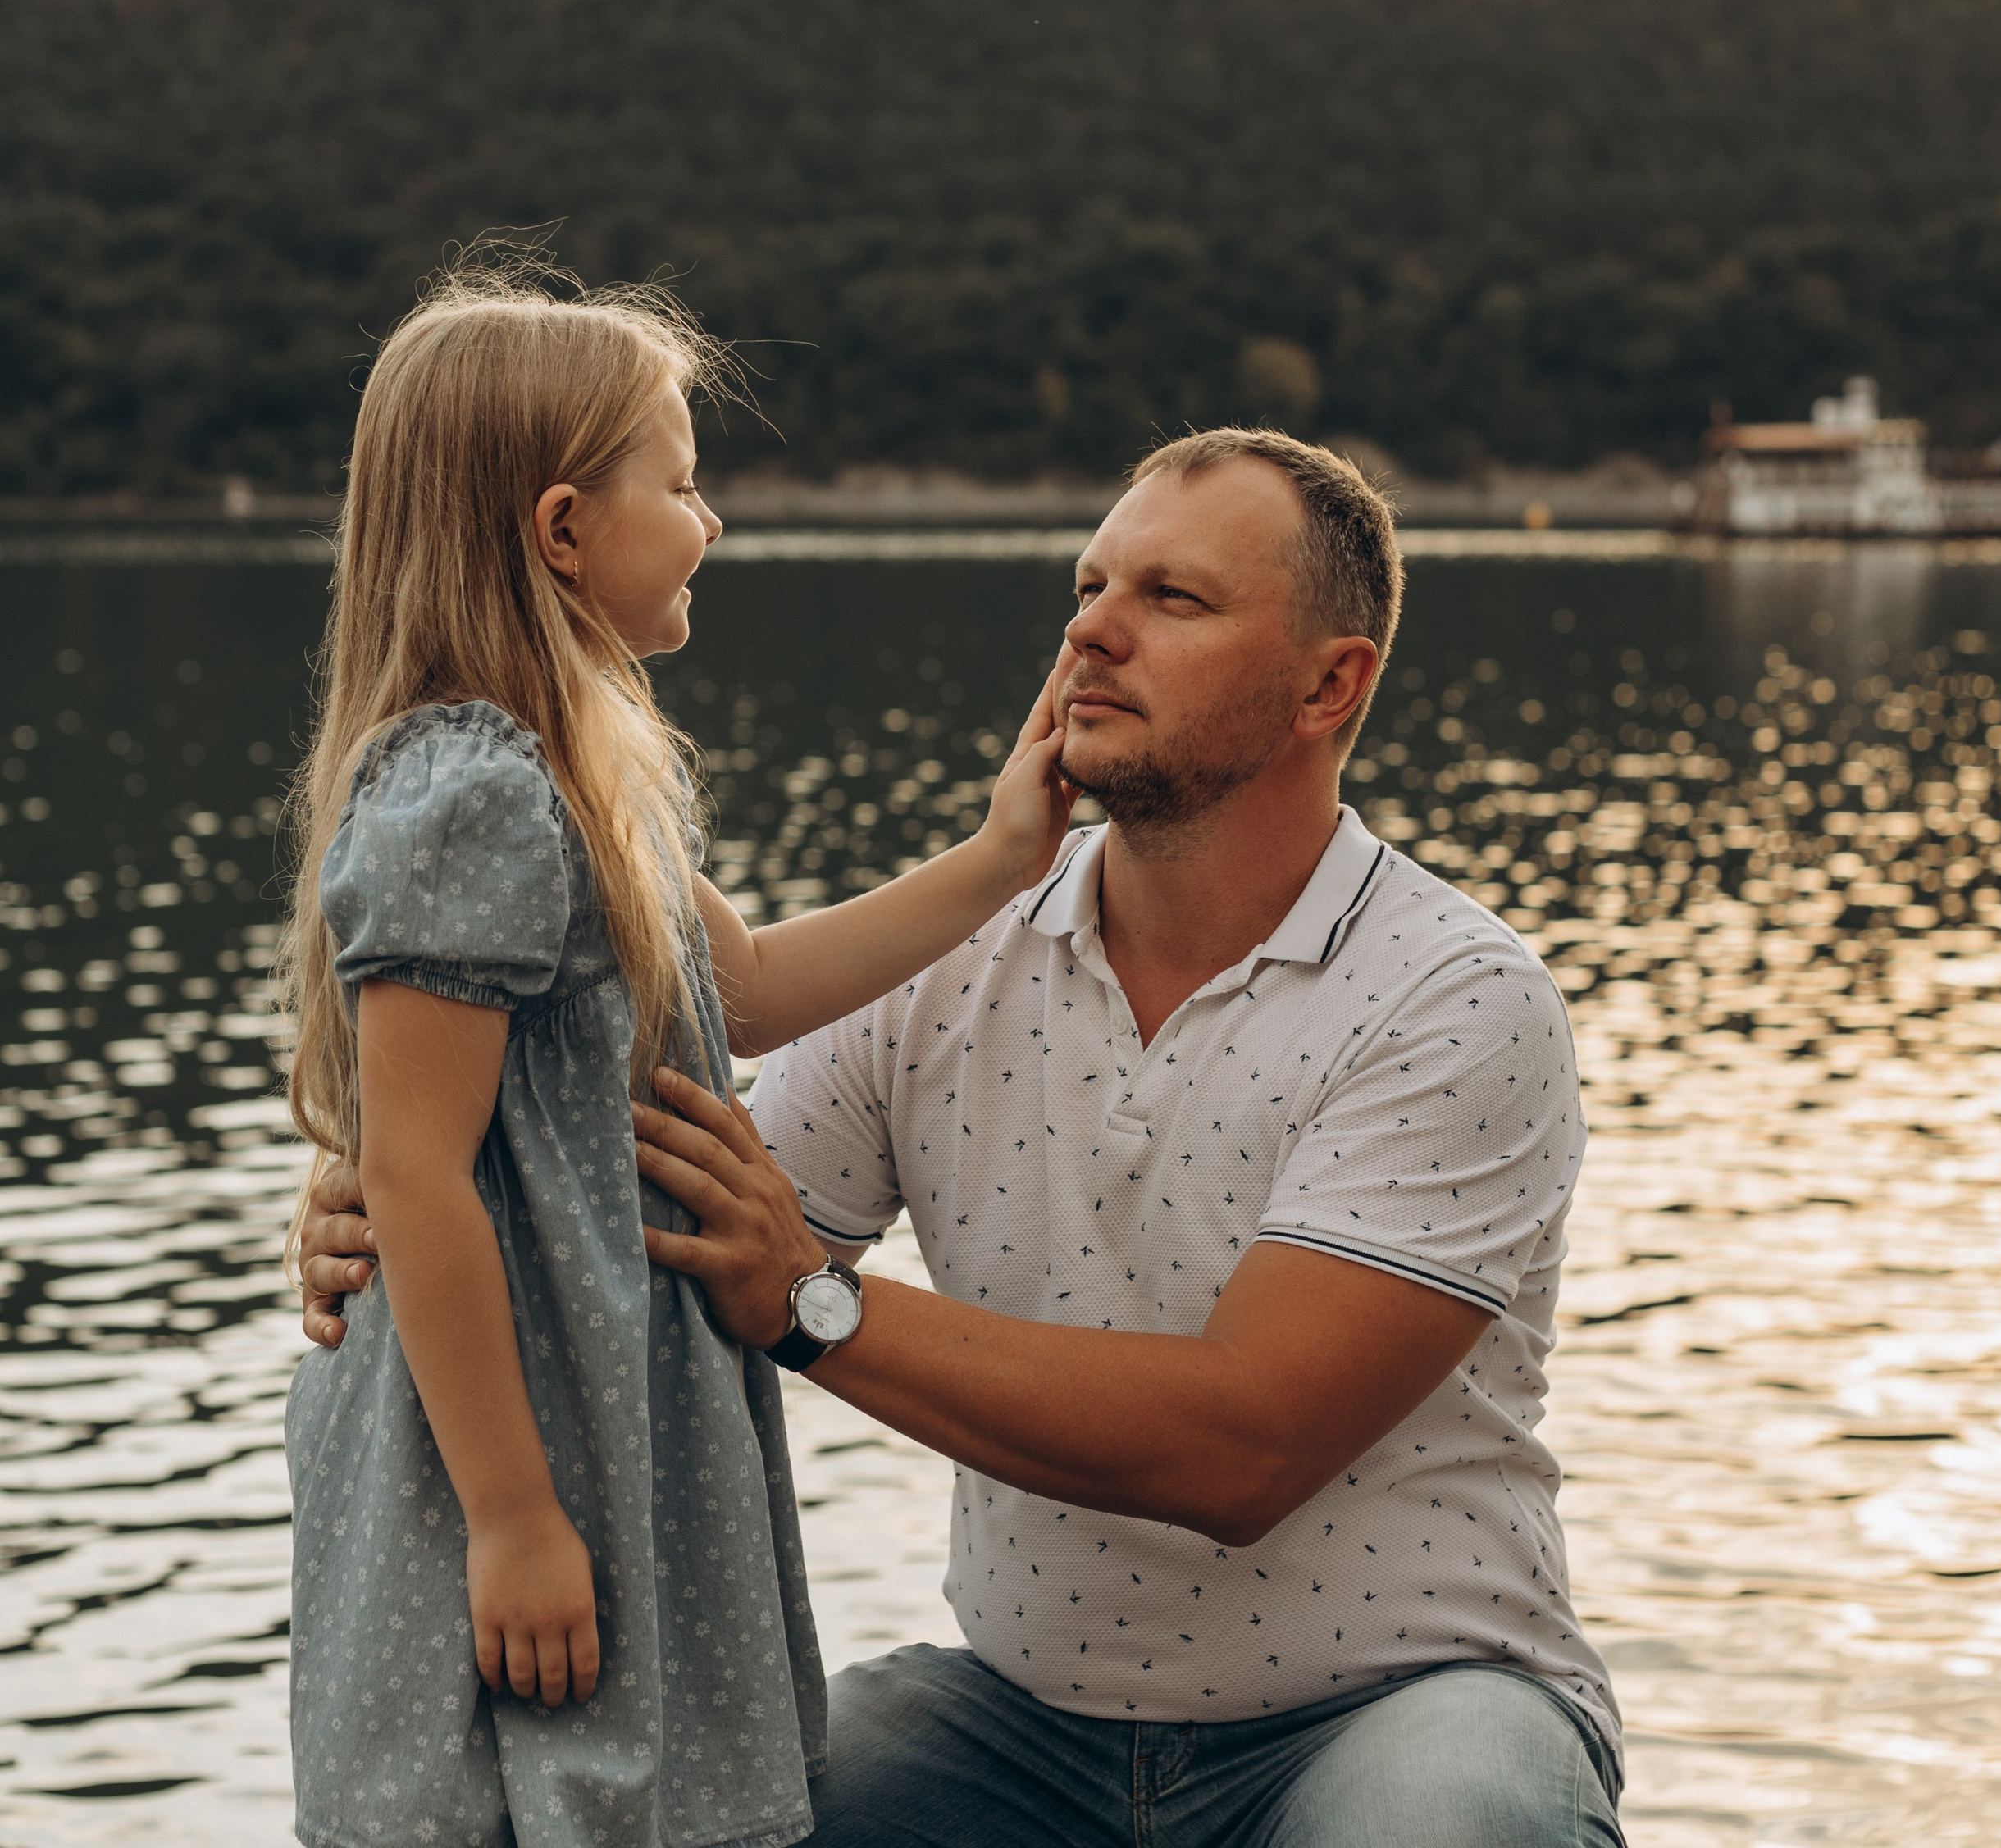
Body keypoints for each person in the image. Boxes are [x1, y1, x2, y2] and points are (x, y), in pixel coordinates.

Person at [306, 426, 1624, 1848]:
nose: (1092, 631)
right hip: (1016, 1729)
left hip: (1398, 1704)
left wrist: (815, 1308)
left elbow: (1243, 1450)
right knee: (706, 1819)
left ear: (1330, 685)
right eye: (1089, 586)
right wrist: (405, 1185)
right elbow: (666, 1221)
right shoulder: (950, 960)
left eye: (1172, 599)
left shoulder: (1452, 996)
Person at [280, 267, 1073, 1848]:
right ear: (564, 530)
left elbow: (752, 989)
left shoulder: (591, 776)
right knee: (501, 1793)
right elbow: (418, 1174)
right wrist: (513, 1517)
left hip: (608, 1403)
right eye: (686, 484)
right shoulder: (477, 792)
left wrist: (1003, 858)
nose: (710, 521)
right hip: (511, 1435)